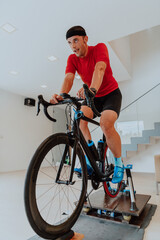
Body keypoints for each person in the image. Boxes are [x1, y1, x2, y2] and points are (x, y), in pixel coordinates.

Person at [50, 26, 124, 183]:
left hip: (111, 94)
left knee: (105, 124)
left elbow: (100, 68)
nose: (73, 46)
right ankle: (90, 157)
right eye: (69, 43)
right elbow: (69, 78)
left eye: (76, 40)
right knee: (79, 120)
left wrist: (92, 89)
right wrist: (62, 95)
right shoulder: (72, 59)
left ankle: (118, 163)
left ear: (85, 39)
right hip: (93, 96)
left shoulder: (99, 48)